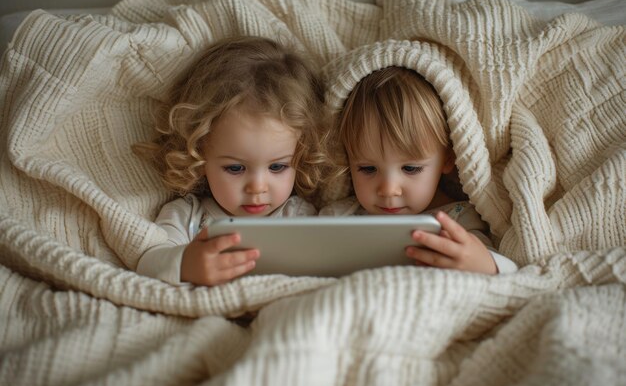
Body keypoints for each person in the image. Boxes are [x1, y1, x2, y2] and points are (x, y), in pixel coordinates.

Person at [133, 36, 326, 286]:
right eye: (235, 168)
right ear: (199, 156)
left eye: (277, 167)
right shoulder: (187, 216)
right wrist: (186, 264)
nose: (257, 187)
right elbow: (147, 264)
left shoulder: (298, 216)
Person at [319, 66, 517, 274]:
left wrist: (485, 265)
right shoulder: (339, 217)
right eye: (367, 169)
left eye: (411, 168)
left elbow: (510, 272)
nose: (388, 190)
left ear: (448, 159)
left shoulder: (458, 221)